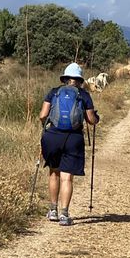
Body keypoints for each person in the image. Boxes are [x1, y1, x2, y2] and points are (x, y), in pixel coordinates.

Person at [39, 63, 99, 226]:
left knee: (53, 173)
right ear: (80, 80)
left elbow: (42, 115)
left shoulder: (54, 92)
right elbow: (91, 120)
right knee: (67, 178)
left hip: (52, 136)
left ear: (65, 79)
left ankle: (52, 211)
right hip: (73, 138)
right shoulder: (84, 95)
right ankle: (64, 215)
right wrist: (96, 117)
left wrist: (48, 127)